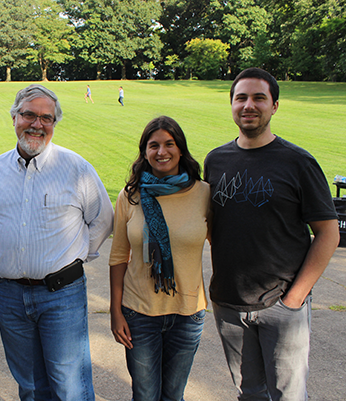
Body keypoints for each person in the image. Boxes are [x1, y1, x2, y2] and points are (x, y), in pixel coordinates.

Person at [0, 84, 114, 400]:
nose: (37, 124)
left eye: (46, 118)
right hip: (9, 295)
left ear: (54, 123)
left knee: (69, 386)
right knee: (30, 385)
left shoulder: (76, 169)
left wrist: (76, 256)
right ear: (14, 117)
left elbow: (103, 219)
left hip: (63, 296)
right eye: (28, 114)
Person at [203, 67, 340, 400]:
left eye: (259, 98)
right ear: (232, 105)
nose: (249, 105)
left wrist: (293, 299)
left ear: (274, 106)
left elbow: (328, 233)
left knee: (288, 395)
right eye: (241, 98)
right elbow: (210, 224)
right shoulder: (216, 161)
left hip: (282, 305)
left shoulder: (297, 162)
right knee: (249, 393)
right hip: (229, 304)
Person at [109, 116, 210, 401]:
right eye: (153, 145)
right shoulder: (130, 197)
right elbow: (118, 257)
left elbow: (223, 245)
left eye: (169, 144)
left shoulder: (203, 193)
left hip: (187, 312)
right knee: (145, 395)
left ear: (181, 150)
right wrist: (116, 313)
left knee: (173, 395)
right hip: (139, 313)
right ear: (144, 152)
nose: (161, 152)